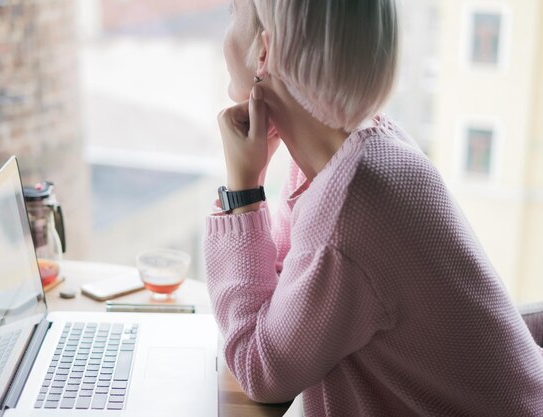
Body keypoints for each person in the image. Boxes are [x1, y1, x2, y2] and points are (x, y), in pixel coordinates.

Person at [203, 0, 543, 416]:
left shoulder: (350, 211)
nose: (225, 33)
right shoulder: (368, 150)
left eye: (232, 13)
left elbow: (261, 371)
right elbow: (284, 302)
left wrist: (244, 192)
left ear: (264, 52)